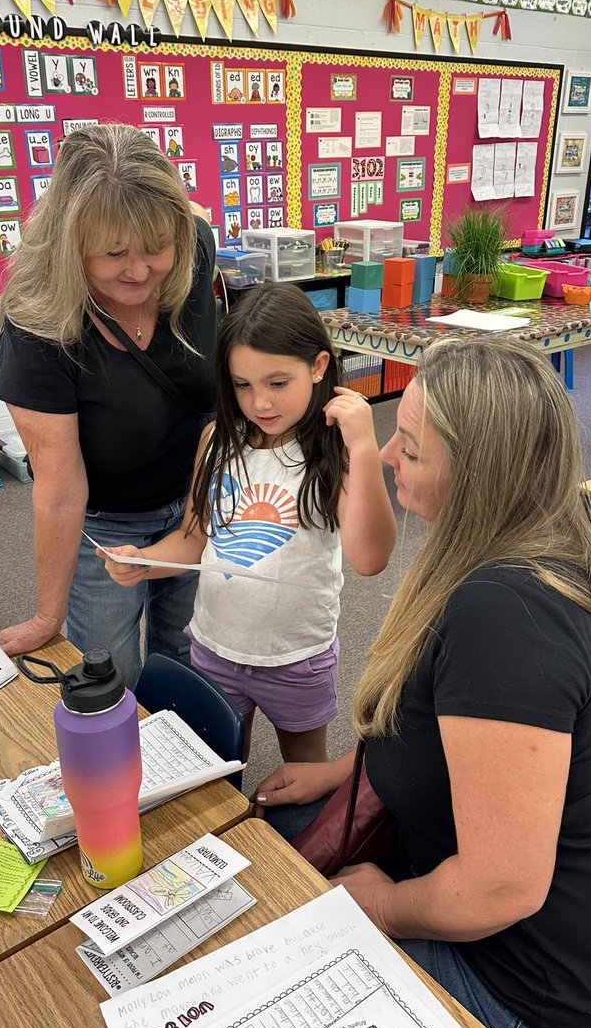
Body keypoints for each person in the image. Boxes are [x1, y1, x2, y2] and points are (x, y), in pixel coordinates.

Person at [254, 335, 591, 1028]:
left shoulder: (501, 619)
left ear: (474, 476)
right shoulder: (523, 553)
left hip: (545, 996)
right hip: (543, 930)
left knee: (278, 1012)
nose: (384, 458)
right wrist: (352, 768)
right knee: (268, 861)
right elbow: (453, 732)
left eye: (409, 448)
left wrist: (385, 905)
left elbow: (499, 888)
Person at [102, 284, 397, 763]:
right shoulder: (217, 440)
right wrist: (144, 561)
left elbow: (370, 558)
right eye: (243, 385)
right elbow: (194, 540)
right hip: (215, 646)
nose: (260, 402)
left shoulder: (333, 451)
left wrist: (363, 448)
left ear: (318, 367)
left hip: (295, 656)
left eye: (277, 383)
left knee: (304, 775)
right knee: (214, 768)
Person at [0, 123, 217, 684]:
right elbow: (61, 490)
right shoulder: (39, 331)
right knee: (111, 676)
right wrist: (49, 615)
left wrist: (198, 518)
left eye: (156, 249)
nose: (139, 271)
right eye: (114, 253)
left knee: (194, 660)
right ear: (72, 246)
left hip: (202, 500)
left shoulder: (195, 247)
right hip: (107, 526)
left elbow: (213, 407)